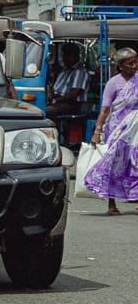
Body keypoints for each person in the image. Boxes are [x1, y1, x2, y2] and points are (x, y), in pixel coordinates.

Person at [88, 47, 138, 215]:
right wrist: (97, 131)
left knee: (136, 163)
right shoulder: (113, 83)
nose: (134, 65)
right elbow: (105, 110)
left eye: (135, 61)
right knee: (114, 164)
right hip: (118, 131)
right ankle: (111, 203)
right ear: (121, 66)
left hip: (136, 130)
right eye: (130, 63)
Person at [47, 43, 92, 118]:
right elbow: (56, 90)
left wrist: (55, 100)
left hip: (72, 105)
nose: (66, 58)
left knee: (44, 112)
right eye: (64, 56)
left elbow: (73, 95)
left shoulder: (80, 72)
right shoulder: (63, 71)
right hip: (58, 102)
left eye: (69, 56)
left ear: (77, 57)